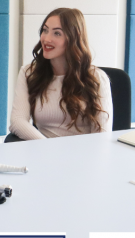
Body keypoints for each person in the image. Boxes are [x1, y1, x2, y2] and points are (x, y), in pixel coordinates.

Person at [8, 8, 112, 141]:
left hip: (83, 157)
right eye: (45, 30)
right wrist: (50, 150)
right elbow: (17, 121)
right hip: (42, 154)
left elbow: (102, 136)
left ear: (73, 39)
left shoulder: (97, 78)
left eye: (57, 33)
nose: (46, 39)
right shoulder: (29, 73)